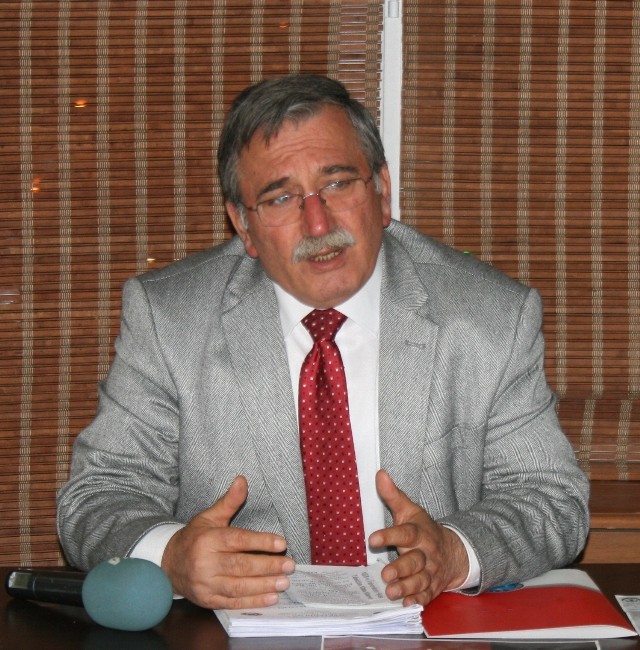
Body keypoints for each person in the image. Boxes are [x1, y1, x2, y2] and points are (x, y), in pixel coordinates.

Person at [57, 74, 589, 612]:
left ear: (382, 189)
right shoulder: (171, 319)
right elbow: (98, 497)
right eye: (281, 197)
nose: (317, 223)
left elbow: (549, 499)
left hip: (424, 629)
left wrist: (453, 552)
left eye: (337, 184)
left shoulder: (489, 316)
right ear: (242, 224)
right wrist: (172, 556)